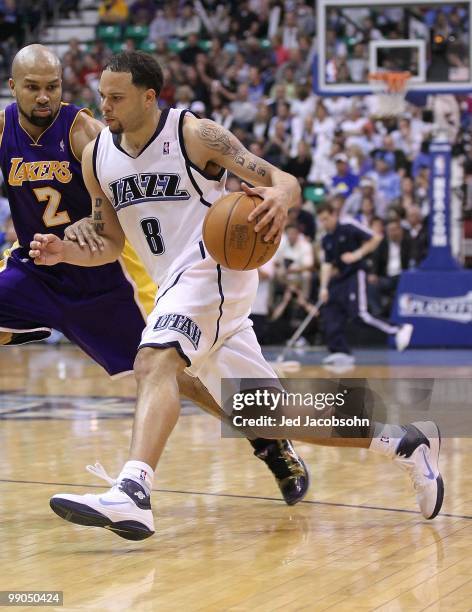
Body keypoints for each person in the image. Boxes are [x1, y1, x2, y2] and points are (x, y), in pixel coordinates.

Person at [31, 52, 443, 540]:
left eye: (117, 97)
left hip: (214, 267)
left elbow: (282, 180)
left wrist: (282, 199)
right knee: (264, 412)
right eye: (102, 95)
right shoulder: (97, 156)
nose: (106, 106)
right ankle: (403, 441)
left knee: (154, 362)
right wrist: (65, 252)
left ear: (149, 96)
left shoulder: (194, 134)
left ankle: (134, 491)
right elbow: (109, 242)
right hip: (175, 285)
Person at [0, 44, 309, 505]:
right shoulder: (4, 128)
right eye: (33, 88)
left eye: (53, 87)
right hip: (43, 265)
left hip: (106, 276)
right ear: (13, 88)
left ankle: (267, 440)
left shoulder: (86, 132)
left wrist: (93, 219)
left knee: (173, 373)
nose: (44, 97)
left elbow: (125, 176)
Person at [316, 203, 413, 366]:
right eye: (321, 221)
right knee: (331, 310)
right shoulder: (326, 239)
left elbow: (376, 238)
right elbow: (326, 265)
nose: (324, 223)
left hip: (355, 274)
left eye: (326, 219)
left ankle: (399, 329)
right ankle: (340, 351)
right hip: (339, 279)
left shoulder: (348, 226)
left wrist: (356, 254)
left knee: (360, 314)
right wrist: (323, 288)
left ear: (334, 215)